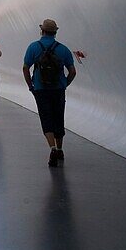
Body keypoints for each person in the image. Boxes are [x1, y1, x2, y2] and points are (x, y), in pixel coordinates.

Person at [23, 18, 77, 167]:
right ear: (55, 32)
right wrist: (65, 83)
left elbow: (25, 68)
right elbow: (72, 71)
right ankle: (60, 149)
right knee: (58, 117)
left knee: (46, 118)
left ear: (42, 31)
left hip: (40, 89)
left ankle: (52, 148)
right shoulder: (63, 49)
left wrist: (31, 85)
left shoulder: (33, 47)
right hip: (58, 89)